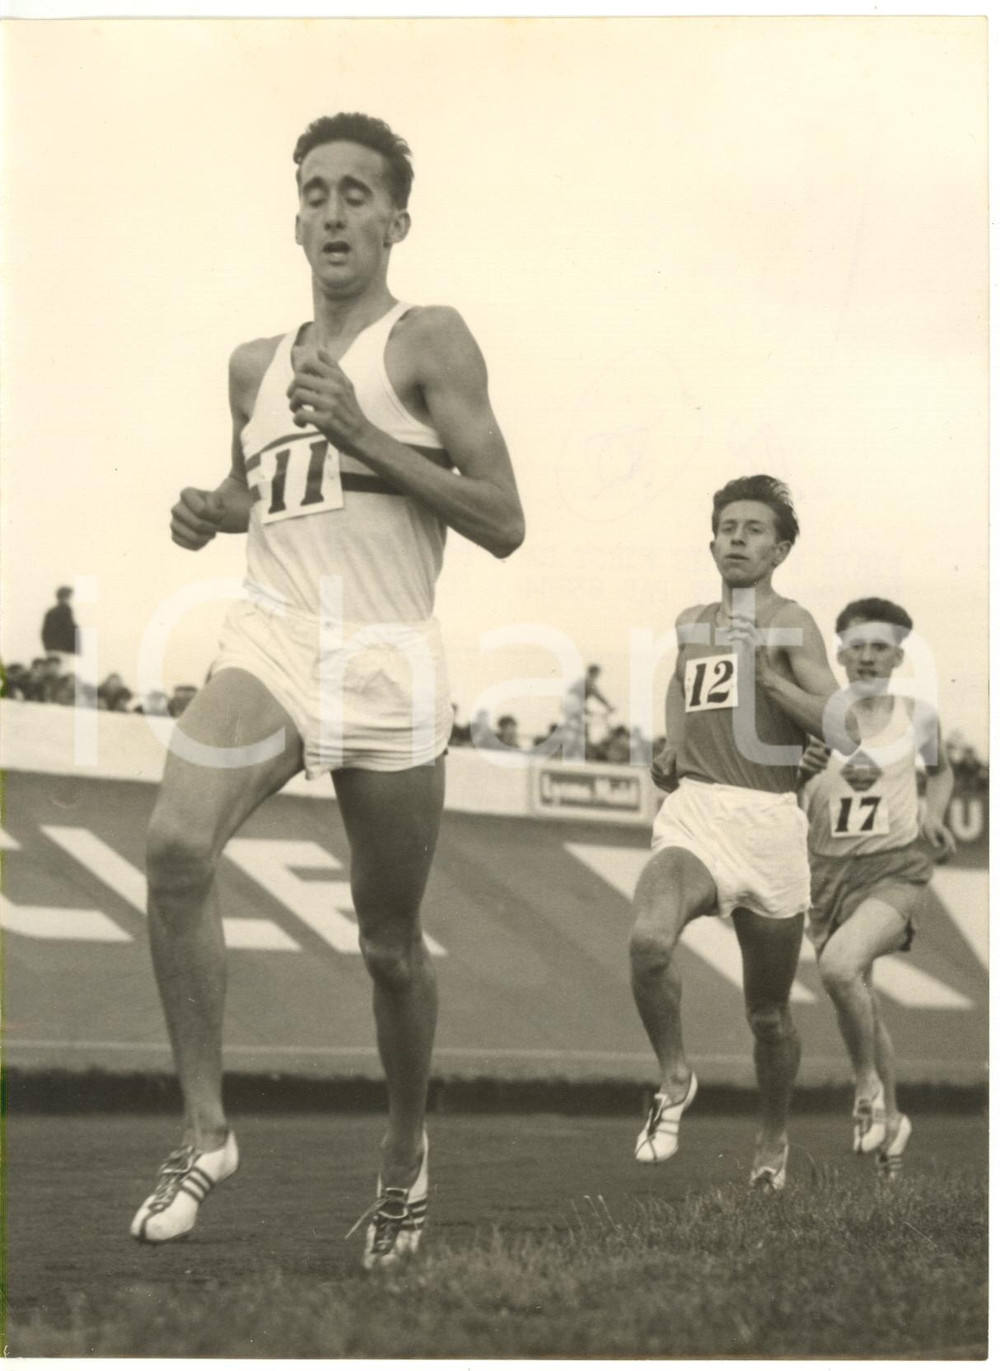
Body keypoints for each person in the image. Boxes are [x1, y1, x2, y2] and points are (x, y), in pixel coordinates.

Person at [130, 112, 524, 1268]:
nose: (333, 211)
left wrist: (364, 429)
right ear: (294, 219)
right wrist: (213, 511)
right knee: (174, 845)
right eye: (315, 192)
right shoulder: (254, 365)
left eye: (357, 193)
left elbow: (503, 519)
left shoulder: (428, 339)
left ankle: (403, 1160)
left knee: (390, 946)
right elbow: (266, 487)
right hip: (275, 635)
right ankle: (206, 1135)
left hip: (389, 656)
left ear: (396, 221)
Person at [628, 474, 847, 1191]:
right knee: (649, 941)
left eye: (755, 530)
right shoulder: (691, 623)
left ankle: (773, 1138)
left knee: (769, 1015)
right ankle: (675, 1078)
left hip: (770, 825)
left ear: (779, 550)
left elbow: (845, 725)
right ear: (712, 542)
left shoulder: (791, 623)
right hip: (696, 812)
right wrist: (673, 744)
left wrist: (772, 680)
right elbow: (680, 690)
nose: (738, 540)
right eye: (728, 528)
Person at [798, 598, 954, 1178]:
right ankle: (894, 1121)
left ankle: (867, 1086)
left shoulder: (917, 717)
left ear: (898, 656)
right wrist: (797, 770)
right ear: (839, 654)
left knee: (840, 968)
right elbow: (781, 792)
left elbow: (941, 771)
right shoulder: (808, 718)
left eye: (879, 647)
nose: (867, 657)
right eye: (856, 646)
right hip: (825, 876)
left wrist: (933, 813)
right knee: (858, 992)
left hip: (894, 869)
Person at [41, 585, 78, 659]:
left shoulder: (50, 612)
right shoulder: (65, 610)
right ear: (65, 597)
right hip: (64, 651)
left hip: (52, 650)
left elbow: (44, 633)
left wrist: (48, 648)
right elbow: (69, 631)